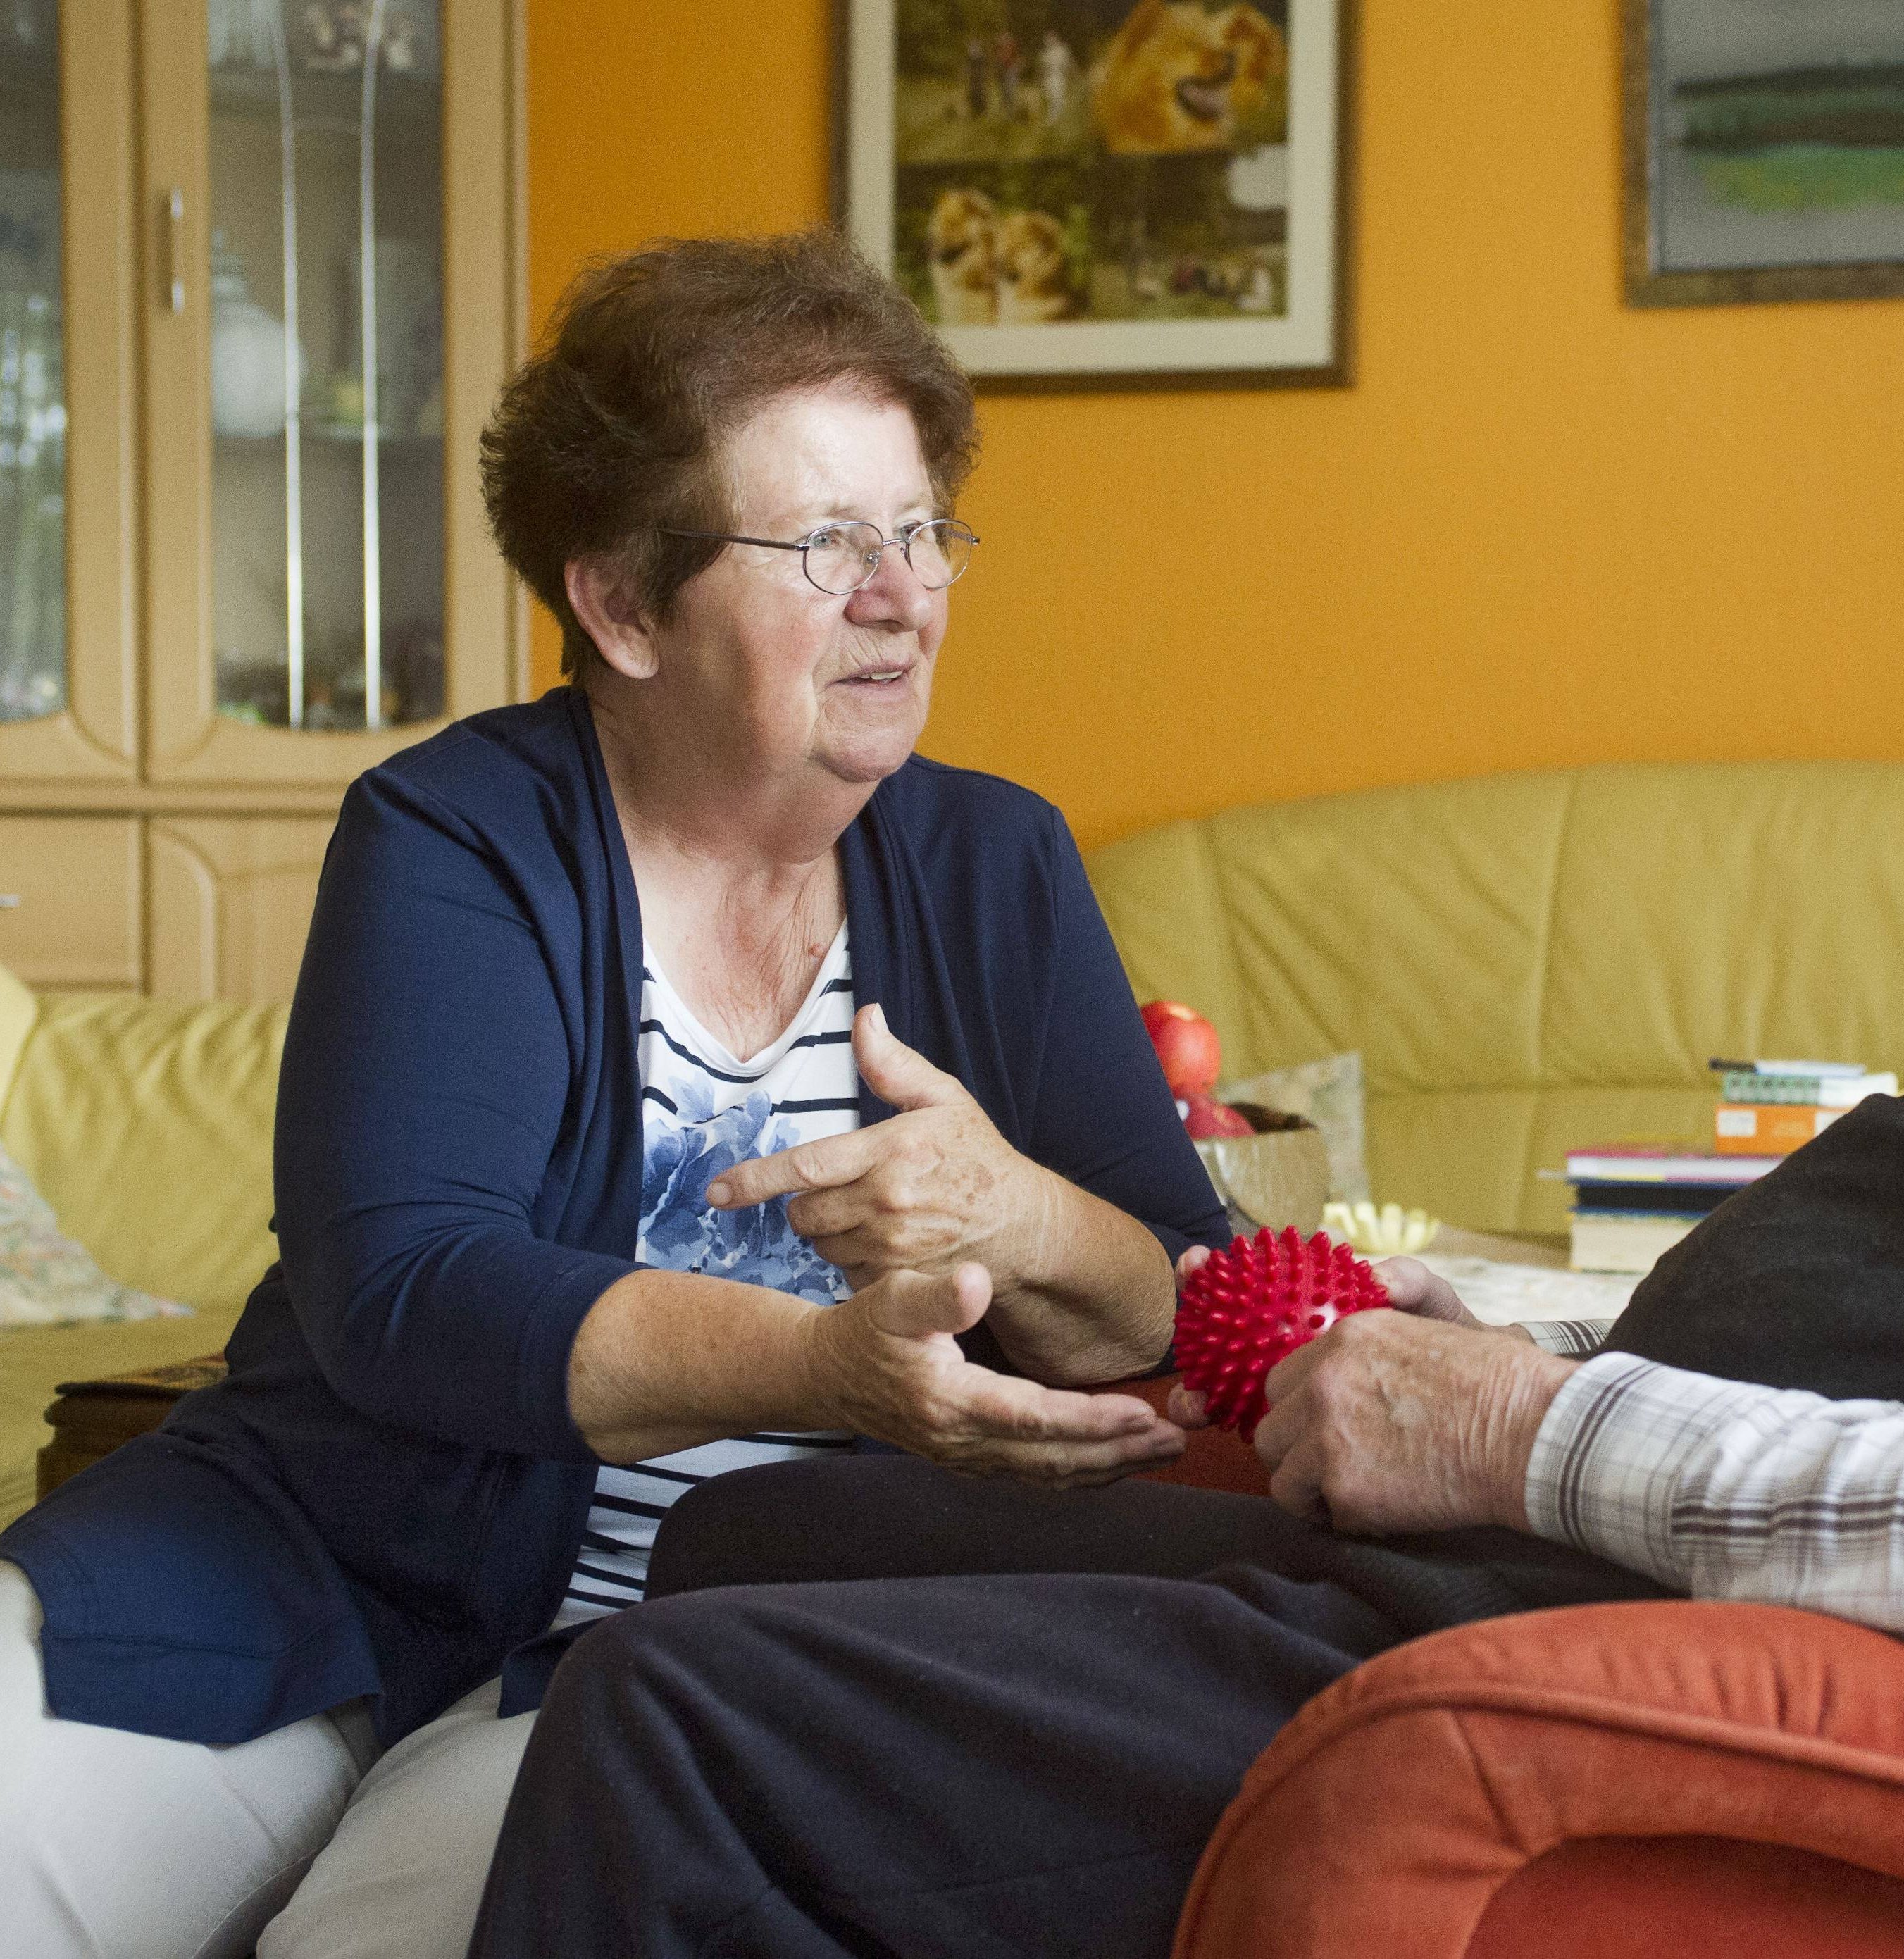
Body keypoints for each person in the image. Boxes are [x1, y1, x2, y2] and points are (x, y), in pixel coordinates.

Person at [465, 115, 1904, 1959]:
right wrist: (1483, 1345)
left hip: (1717, 1710)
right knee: (751, 1550)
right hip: (1604, 1567)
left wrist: (1526, 1424)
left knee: (679, 1725)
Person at [0, 231, 1226, 1959]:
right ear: (625, 603)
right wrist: (819, 1364)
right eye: (825, 542)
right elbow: (410, 1289)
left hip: (711, 1638)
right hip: (320, 1555)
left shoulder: (996, 862)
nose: (903, 592)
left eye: (918, 526)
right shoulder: (454, 832)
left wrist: (1022, 1212)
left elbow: (1178, 1306)